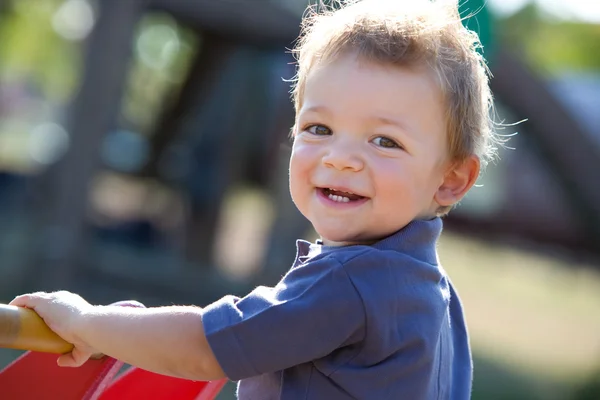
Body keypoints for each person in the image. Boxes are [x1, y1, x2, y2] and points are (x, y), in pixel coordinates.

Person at [11, 0, 498, 398]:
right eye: (320, 128)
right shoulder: (431, 294)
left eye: (384, 141)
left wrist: (85, 321)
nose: (341, 158)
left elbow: (205, 348)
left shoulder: (356, 282)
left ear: (452, 180)